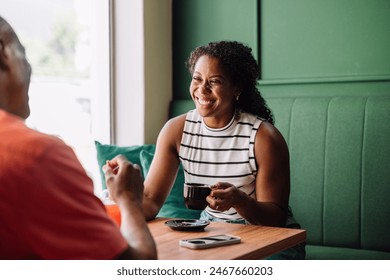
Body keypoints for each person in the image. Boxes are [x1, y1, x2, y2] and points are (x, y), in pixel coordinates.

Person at [0, 15, 156, 260]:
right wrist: (129, 201)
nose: (30, 68)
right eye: (24, 53)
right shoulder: (36, 155)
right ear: (3, 53)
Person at [142, 40, 305, 259]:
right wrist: (122, 195)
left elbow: (275, 220)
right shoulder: (176, 130)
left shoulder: (263, 137)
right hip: (213, 232)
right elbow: (150, 200)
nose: (202, 89)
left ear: (237, 88)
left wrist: (241, 201)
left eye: (215, 81)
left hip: (273, 239)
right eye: (197, 79)